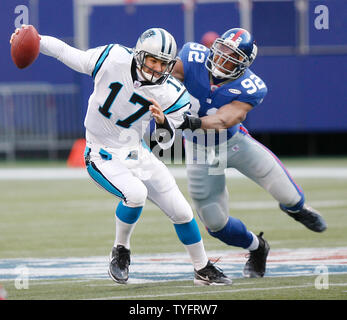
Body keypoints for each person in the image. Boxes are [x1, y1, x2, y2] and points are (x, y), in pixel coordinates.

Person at [10, 26, 232, 286]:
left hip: (137, 151)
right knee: (135, 194)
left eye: (163, 63)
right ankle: (121, 251)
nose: (157, 68)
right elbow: (66, 52)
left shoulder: (170, 92)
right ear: (139, 55)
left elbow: (167, 141)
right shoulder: (113, 58)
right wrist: (35, 39)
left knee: (182, 211)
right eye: (152, 60)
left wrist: (162, 124)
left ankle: (202, 268)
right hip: (102, 152)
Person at [173, 27, 327, 278]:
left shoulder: (251, 86)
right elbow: (161, 75)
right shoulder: (192, 57)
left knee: (289, 195)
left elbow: (224, 119)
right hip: (202, 152)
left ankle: (297, 209)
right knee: (215, 224)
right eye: (221, 51)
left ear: (242, 65)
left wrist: (190, 122)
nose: (221, 59)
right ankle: (257, 247)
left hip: (233, 143)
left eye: (230, 57)